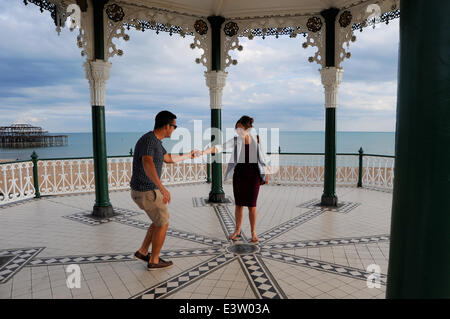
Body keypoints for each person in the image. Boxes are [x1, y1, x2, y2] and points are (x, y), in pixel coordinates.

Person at [130, 110, 200, 270]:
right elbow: (147, 162)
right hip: (147, 191)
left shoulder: (155, 142)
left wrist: (189, 155)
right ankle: (154, 260)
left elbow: (169, 159)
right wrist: (162, 188)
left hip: (142, 191)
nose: (175, 129)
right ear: (167, 126)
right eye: (174, 126)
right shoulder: (149, 141)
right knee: (163, 223)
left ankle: (142, 251)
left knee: (159, 220)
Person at [200, 116, 270, 243]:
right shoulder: (236, 141)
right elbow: (220, 147)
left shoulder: (257, 140)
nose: (237, 130)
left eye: (239, 128)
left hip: (253, 177)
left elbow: (263, 158)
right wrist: (204, 152)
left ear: (246, 128)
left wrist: (266, 172)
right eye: (236, 128)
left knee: (252, 206)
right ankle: (237, 230)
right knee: (238, 205)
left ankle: (253, 233)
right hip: (239, 176)